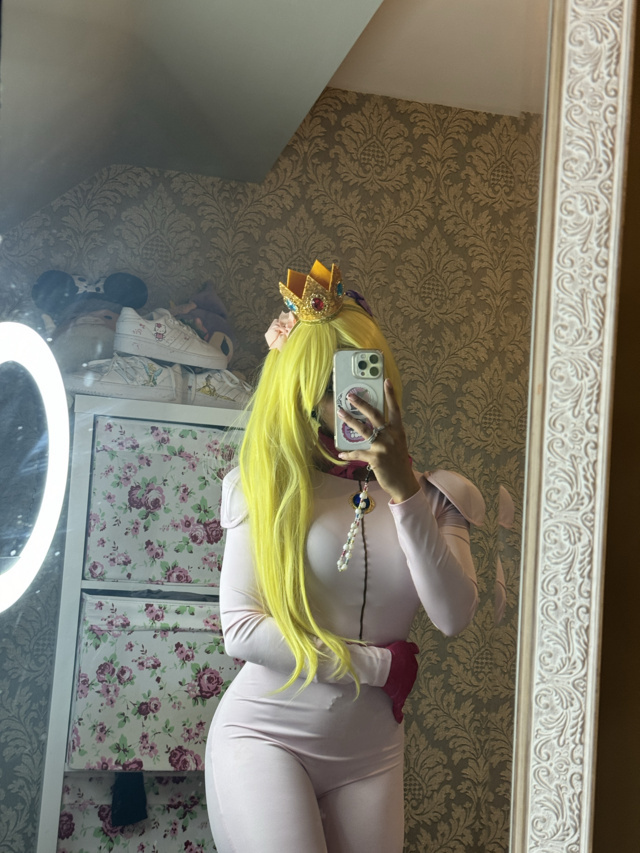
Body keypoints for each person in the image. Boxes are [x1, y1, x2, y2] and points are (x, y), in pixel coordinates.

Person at [204, 261, 485, 853]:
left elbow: (453, 616)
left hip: (371, 755)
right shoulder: (262, 488)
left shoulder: (437, 496)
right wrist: (380, 668)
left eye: (363, 376)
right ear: (301, 394)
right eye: (331, 387)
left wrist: (403, 490)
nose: (351, 401)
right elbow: (242, 630)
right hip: (264, 735)